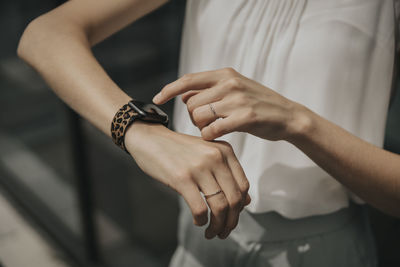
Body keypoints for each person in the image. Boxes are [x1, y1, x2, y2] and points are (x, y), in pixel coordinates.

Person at [17, 0, 398, 266]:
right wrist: (138, 131)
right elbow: (44, 34)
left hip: (316, 249)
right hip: (199, 235)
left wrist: (298, 121)